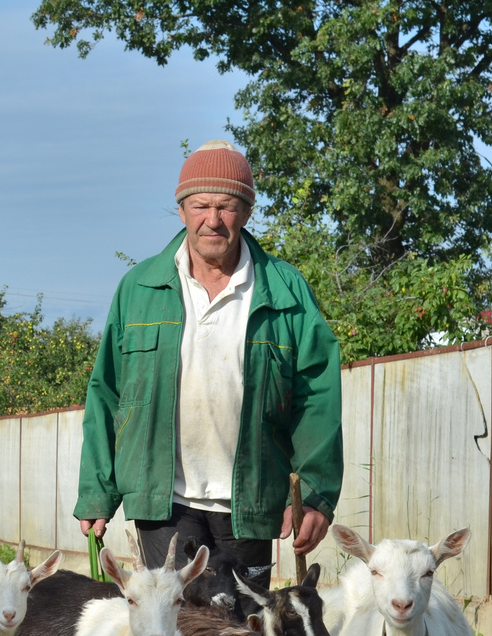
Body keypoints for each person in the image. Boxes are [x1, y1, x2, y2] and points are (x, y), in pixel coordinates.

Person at [75, 141, 342, 585]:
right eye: (200, 205)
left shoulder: (286, 290)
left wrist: (315, 496)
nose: (212, 220)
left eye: (227, 206)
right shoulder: (138, 289)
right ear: (181, 211)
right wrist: (97, 493)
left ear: (247, 212)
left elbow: (317, 397)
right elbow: (106, 393)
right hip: (164, 504)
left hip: (252, 503)